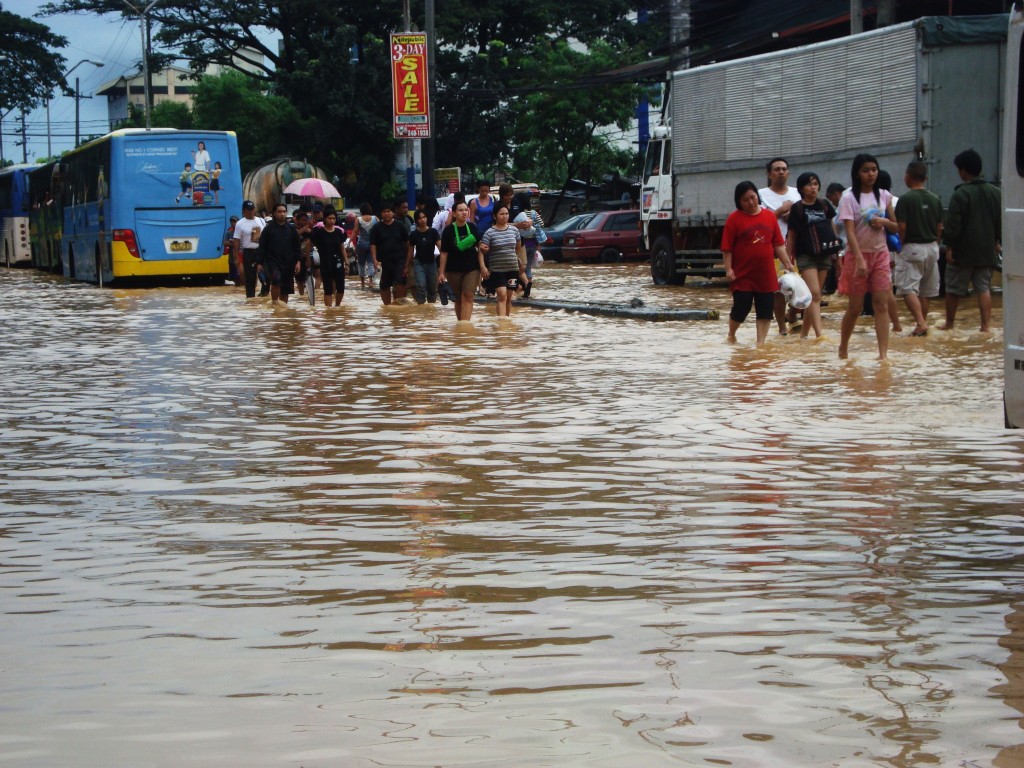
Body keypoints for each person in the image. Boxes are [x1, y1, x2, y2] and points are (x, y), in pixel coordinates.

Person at [837, 153, 899, 360]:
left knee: (881, 304)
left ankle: (883, 355)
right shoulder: (849, 198)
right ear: (857, 173)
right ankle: (843, 348)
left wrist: (884, 222)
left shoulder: (884, 196)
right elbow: (850, 231)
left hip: (880, 254)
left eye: (874, 169)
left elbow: (896, 225)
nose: (871, 174)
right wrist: (859, 259)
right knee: (855, 307)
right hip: (857, 256)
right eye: (866, 170)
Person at [722, 181, 796, 345]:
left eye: (753, 197)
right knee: (741, 308)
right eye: (745, 200)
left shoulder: (769, 216)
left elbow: (778, 244)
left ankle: (760, 343)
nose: (750, 202)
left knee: (765, 310)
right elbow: (727, 248)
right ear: (739, 202)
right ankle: (731, 334)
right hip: (743, 274)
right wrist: (728, 268)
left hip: (766, 274)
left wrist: (788, 264)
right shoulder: (734, 219)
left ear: (757, 196)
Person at [940, 148, 1001, 332]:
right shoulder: (995, 192)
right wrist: (997, 241)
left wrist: (949, 245)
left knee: (953, 289)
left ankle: (949, 324)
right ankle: (985, 326)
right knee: (983, 288)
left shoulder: (961, 194)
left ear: (964, 171)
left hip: (963, 252)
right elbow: (1000, 220)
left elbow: (953, 224)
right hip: (986, 251)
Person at [894, 160, 944, 336]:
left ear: (907, 177)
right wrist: (936, 243)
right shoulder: (935, 198)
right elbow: (940, 227)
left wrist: (898, 246)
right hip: (932, 248)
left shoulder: (905, 200)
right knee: (925, 290)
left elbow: (902, 227)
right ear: (925, 178)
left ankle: (921, 323)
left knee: (908, 289)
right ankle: (921, 324)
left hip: (912, 247)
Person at [785, 172, 837, 339]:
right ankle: (819, 335)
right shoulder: (797, 208)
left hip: (824, 254)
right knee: (814, 294)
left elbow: (832, 228)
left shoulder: (825, 205)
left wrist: (837, 251)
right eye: (809, 184)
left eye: (815, 183)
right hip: (805, 255)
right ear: (802, 188)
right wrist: (787, 261)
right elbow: (791, 236)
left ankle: (803, 336)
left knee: (814, 296)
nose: (813, 187)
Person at [758, 157, 801, 335]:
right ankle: (782, 327)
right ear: (769, 173)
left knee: (800, 288)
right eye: (777, 169)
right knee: (778, 291)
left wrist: (793, 216)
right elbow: (759, 221)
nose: (781, 172)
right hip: (772, 248)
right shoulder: (761, 195)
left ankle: (792, 314)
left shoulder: (797, 193)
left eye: (784, 169)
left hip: (797, 247)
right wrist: (780, 211)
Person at [479, 204, 528, 317]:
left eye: (506, 214)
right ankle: (501, 322)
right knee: (501, 295)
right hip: (497, 269)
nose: (504, 216)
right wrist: (483, 267)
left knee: (509, 297)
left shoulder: (514, 231)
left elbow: (518, 247)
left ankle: (506, 321)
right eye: (501, 214)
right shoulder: (489, 232)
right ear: (495, 216)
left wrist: (517, 258)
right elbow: (481, 250)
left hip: (512, 269)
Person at [439, 201, 481, 321]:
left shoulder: (472, 227)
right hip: (453, 269)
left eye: (465, 210)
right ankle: (460, 323)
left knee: (468, 295)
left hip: (472, 268)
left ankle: (465, 324)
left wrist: (482, 266)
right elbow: (444, 253)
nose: (464, 213)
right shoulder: (448, 231)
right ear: (454, 213)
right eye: (460, 210)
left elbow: (479, 246)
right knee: (458, 298)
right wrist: (441, 272)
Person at [256, 203, 302, 304]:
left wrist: (298, 262)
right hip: (272, 261)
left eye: (284, 212)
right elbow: (262, 246)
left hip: (289, 262)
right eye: (279, 211)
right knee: (276, 280)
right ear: (274, 213)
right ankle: (275, 304)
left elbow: (297, 247)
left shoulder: (292, 230)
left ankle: (283, 309)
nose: (282, 214)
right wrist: (259, 263)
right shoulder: (268, 229)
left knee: (286, 288)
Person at [370, 203, 410, 305]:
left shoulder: (400, 226)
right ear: (381, 214)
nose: (386, 214)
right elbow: (373, 245)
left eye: (389, 211)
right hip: (383, 261)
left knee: (400, 282)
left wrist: (408, 261)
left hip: (399, 259)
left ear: (393, 213)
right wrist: (374, 260)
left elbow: (408, 244)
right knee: (384, 285)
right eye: (384, 212)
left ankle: (398, 305)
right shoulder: (376, 228)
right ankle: (387, 306)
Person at [309, 205, 348, 307]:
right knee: (328, 289)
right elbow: (309, 244)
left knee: (341, 288)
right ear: (325, 219)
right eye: (329, 218)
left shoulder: (339, 232)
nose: (332, 221)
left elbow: (342, 248)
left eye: (334, 218)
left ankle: (337, 306)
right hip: (326, 263)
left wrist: (346, 262)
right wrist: (308, 259)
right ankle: (329, 310)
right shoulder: (319, 232)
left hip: (338, 263)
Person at [407, 209, 441, 304]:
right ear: (416, 220)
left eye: (424, 217)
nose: (422, 220)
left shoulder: (433, 232)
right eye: (420, 218)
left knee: (432, 288)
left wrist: (443, 265)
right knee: (421, 285)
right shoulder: (413, 234)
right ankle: (421, 307)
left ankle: (431, 308)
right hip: (419, 263)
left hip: (432, 263)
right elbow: (410, 251)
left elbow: (441, 247)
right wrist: (407, 266)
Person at [232, 200, 263, 299]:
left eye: (252, 209)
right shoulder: (240, 224)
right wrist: (236, 257)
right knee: (250, 278)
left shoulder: (261, 221)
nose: (250, 212)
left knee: (266, 275)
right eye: (248, 210)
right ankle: (251, 298)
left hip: (261, 251)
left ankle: (264, 294)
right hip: (248, 252)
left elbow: (266, 236)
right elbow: (236, 241)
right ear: (243, 211)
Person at [823, 182, 846, 295]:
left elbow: (834, 231)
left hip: (844, 250)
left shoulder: (842, 209)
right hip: (841, 250)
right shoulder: (838, 211)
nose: (833, 202)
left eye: (832, 199)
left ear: (836, 194)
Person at [354, 203, 378, 290]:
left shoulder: (358, 219)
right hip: (372, 245)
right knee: (371, 263)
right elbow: (380, 229)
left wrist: (349, 242)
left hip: (361, 244)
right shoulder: (375, 218)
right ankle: (371, 282)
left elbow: (355, 231)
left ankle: (362, 283)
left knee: (361, 264)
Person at [225, 215, 240, 285]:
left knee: (240, 275)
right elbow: (225, 242)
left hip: (240, 257)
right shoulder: (229, 232)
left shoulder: (241, 232)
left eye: (234, 222)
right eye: (232, 222)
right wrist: (234, 244)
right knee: (233, 277)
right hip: (231, 258)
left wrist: (235, 243)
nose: (233, 223)